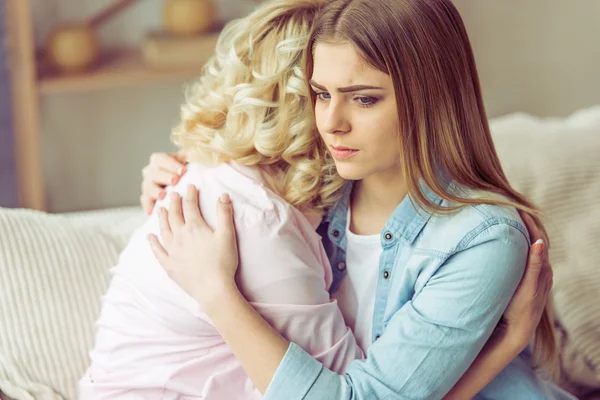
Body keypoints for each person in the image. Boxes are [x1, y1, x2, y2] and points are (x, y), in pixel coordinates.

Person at [147, 0, 577, 399]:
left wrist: (216, 293)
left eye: (364, 99)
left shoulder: (481, 238)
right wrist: (173, 176)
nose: (331, 123)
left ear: (431, 97)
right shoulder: (317, 188)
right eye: (321, 94)